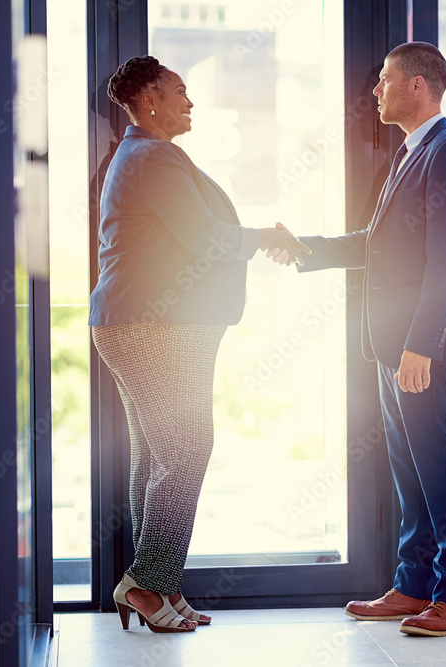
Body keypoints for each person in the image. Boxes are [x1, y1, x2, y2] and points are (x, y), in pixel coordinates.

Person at [268, 41, 446, 637]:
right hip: (397, 346)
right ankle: (415, 585)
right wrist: (303, 248)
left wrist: (421, 345)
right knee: (410, 468)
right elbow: (374, 242)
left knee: (440, 467)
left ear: (418, 86)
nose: (376, 90)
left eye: (385, 80)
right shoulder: (412, 154)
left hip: (424, 347)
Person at [89, 55, 310, 633]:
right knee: (187, 450)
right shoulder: (152, 157)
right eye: (180, 91)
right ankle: (146, 585)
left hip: (142, 322)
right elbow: (204, 238)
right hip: (151, 326)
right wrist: (263, 237)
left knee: (159, 454)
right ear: (151, 100)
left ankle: (159, 585)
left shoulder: (142, 154)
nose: (191, 102)